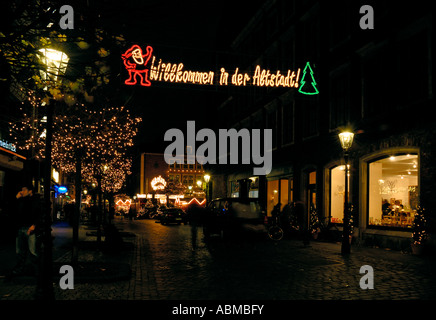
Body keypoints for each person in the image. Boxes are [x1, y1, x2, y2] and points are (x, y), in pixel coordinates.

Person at [10, 184, 41, 277]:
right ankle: (20, 269)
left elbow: (39, 214)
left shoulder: (35, 201)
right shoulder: (21, 200)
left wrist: (34, 225)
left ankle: (35, 271)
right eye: (21, 190)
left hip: (30, 228)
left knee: (32, 251)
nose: (22, 192)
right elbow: (13, 211)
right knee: (20, 251)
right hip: (20, 228)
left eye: (24, 190)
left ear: (30, 191)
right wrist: (16, 199)